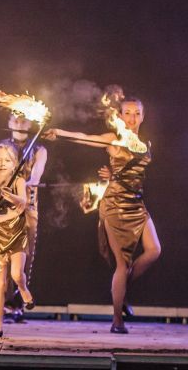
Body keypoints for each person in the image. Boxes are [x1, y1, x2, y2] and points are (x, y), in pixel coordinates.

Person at [45, 98, 161, 334]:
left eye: (136, 113)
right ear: (120, 115)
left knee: (154, 250)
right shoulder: (113, 138)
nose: (132, 118)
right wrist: (60, 133)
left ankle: (122, 291)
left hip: (136, 203)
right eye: (127, 113)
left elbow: (135, 173)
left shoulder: (144, 143)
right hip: (115, 204)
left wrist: (114, 175)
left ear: (143, 116)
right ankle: (117, 320)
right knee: (122, 263)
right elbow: (85, 138)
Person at [0, 115, 47, 323]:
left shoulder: (39, 149)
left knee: (24, 256)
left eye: (24, 120)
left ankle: (18, 304)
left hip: (27, 207)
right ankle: (5, 305)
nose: (20, 123)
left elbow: (35, 178)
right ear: (9, 122)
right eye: (15, 119)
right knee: (3, 256)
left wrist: (20, 188)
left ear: (30, 123)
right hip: (3, 207)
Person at [0, 143, 35, 338]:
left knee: (16, 274)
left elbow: (24, 202)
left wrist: (12, 198)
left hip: (17, 234)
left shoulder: (19, 181)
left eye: (7, 160)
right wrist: (13, 213)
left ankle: (23, 289)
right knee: (0, 283)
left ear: (14, 164)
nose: (2, 163)